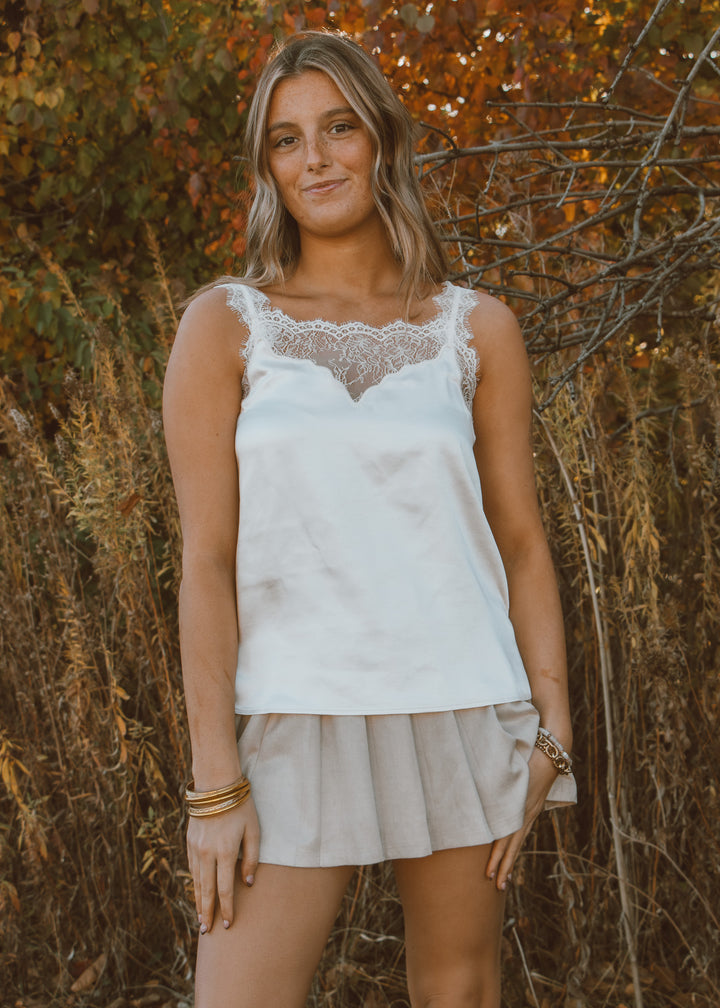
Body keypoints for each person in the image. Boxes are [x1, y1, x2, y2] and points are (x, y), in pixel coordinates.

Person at [162, 29, 576, 1008]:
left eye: (339, 128)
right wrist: (215, 786)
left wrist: (551, 730)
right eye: (287, 139)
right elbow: (208, 562)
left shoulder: (477, 328)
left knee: (460, 991)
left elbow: (521, 539)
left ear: (382, 139)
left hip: (462, 703)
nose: (316, 159)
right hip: (296, 711)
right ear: (267, 167)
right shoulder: (225, 325)